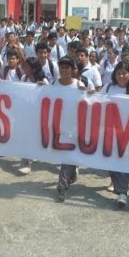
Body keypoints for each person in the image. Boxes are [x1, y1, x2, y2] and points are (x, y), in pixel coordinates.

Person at [101, 61, 129, 208]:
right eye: (119, 73)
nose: (121, 76)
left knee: (126, 163)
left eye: (124, 73)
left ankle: (122, 192)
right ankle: (118, 185)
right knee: (110, 160)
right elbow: (96, 102)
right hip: (110, 131)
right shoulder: (108, 87)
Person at [53, 57, 87, 202]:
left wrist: (87, 92)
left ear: (73, 70)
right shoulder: (53, 84)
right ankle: (66, 181)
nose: (64, 70)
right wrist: (40, 87)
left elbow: (93, 99)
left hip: (76, 127)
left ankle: (64, 183)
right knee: (67, 157)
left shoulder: (80, 84)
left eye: (68, 68)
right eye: (62, 68)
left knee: (69, 156)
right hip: (59, 127)